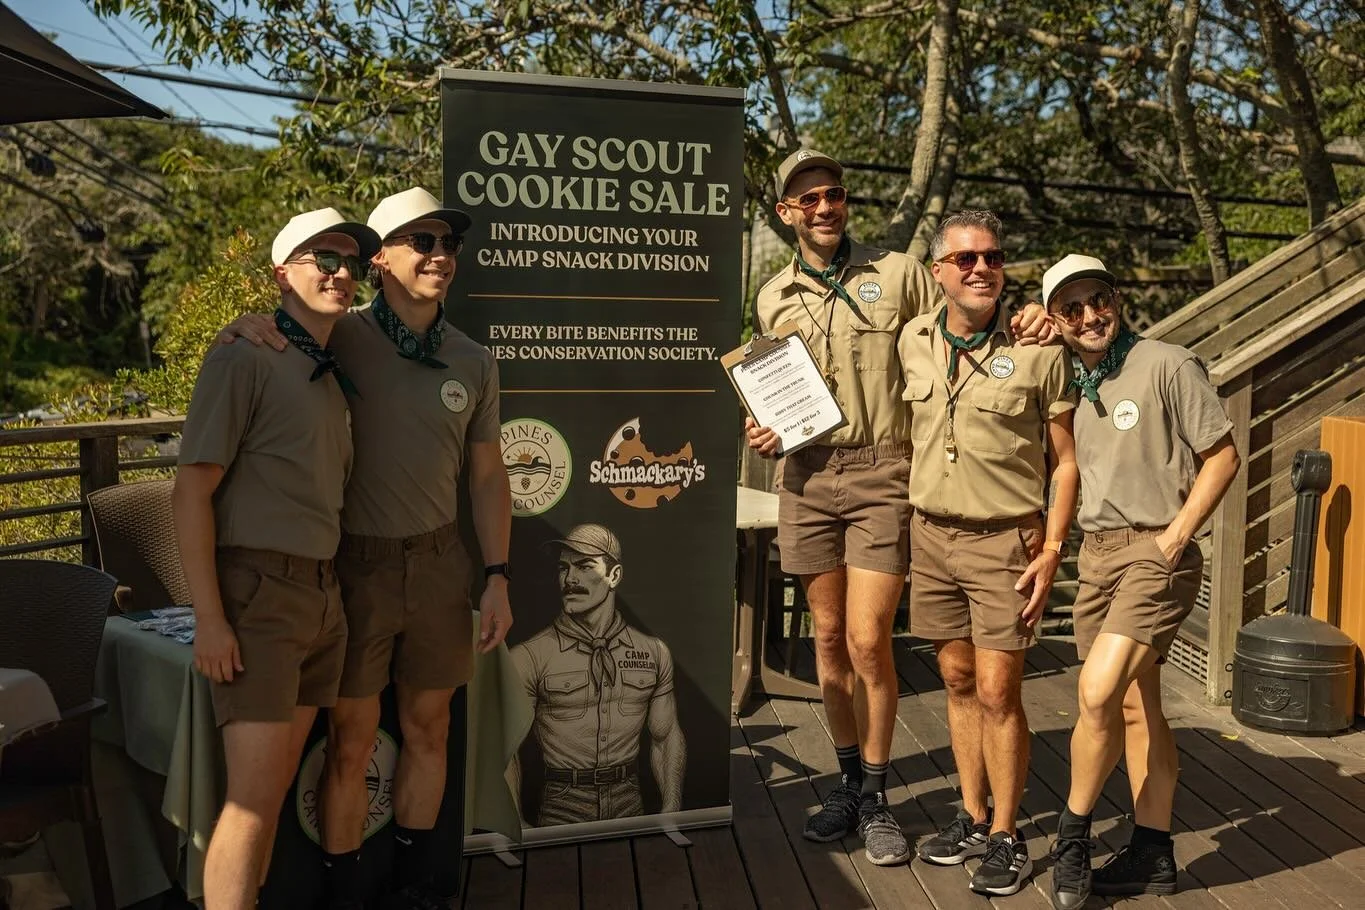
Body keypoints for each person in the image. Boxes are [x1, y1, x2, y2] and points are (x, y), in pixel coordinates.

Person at [744, 152, 1052, 867]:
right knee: (824, 639)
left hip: (886, 470)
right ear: (787, 213)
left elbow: (966, 322)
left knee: (864, 639)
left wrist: (1026, 314)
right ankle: (848, 783)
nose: (824, 207)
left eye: (834, 195)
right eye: (808, 198)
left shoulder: (902, 272)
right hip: (807, 474)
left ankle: (879, 796)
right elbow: (772, 392)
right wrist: (760, 430)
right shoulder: (771, 296)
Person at [216, 187, 514, 910]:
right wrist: (243, 324)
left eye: (448, 244)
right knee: (349, 740)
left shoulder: (471, 359)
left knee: (429, 729)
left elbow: (487, 474)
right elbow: (266, 347)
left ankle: (417, 891)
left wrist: (498, 575)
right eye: (422, 242)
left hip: (442, 566)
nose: (440, 255)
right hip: (353, 568)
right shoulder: (335, 334)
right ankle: (345, 892)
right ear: (379, 259)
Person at [174, 207, 379, 910]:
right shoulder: (242, 355)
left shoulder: (325, 357)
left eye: (350, 262)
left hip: (322, 599)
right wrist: (210, 617)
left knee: (274, 793)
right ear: (280, 273)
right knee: (252, 806)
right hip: (260, 595)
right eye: (322, 258)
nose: (341, 273)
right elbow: (189, 492)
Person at [1040, 255, 1239, 910]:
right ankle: (1152, 852)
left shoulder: (1165, 364)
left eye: (1098, 299)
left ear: (1115, 299)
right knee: (1133, 703)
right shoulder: (1067, 379)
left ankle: (1069, 838)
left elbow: (1221, 455)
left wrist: (1177, 536)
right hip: (1096, 556)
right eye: (1071, 308)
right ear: (1055, 321)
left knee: (1094, 692)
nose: (1089, 315)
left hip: (1155, 551)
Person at [901, 210, 1080, 896]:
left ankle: (1006, 832)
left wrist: (1053, 545)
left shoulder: (1038, 348)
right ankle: (971, 815)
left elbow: (1065, 465)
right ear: (937, 273)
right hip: (930, 535)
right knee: (953, 681)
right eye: (967, 259)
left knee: (1000, 690)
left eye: (994, 258)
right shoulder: (914, 340)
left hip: (1004, 540)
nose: (982, 269)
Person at [507, 523, 686, 826]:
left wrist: (672, 807)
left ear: (613, 575)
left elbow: (666, 736)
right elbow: (504, 746)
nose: (569, 579)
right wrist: (516, 823)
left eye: (584, 566)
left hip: (630, 802)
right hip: (561, 807)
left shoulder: (653, 651)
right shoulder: (529, 656)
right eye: (563, 568)